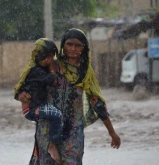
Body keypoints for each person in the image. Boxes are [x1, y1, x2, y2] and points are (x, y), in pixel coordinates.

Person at [17, 28, 121, 165]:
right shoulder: (51, 65)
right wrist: (21, 95)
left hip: (73, 130)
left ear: (84, 48)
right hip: (48, 128)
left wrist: (112, 133)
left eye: (78, 45)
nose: (73, 49)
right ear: (63, 45)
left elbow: (98, 103)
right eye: (69, 44)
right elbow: (29, 82)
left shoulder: (85, 74)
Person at [14, 38, 63, 163]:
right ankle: (52, 144)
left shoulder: (38, 69)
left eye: (52, 57)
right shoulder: (36, 71)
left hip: (38, 107)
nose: (51, 59)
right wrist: (52, 68)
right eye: (49, 57)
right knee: (57, 115)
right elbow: (54, 81)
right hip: (34, 109)